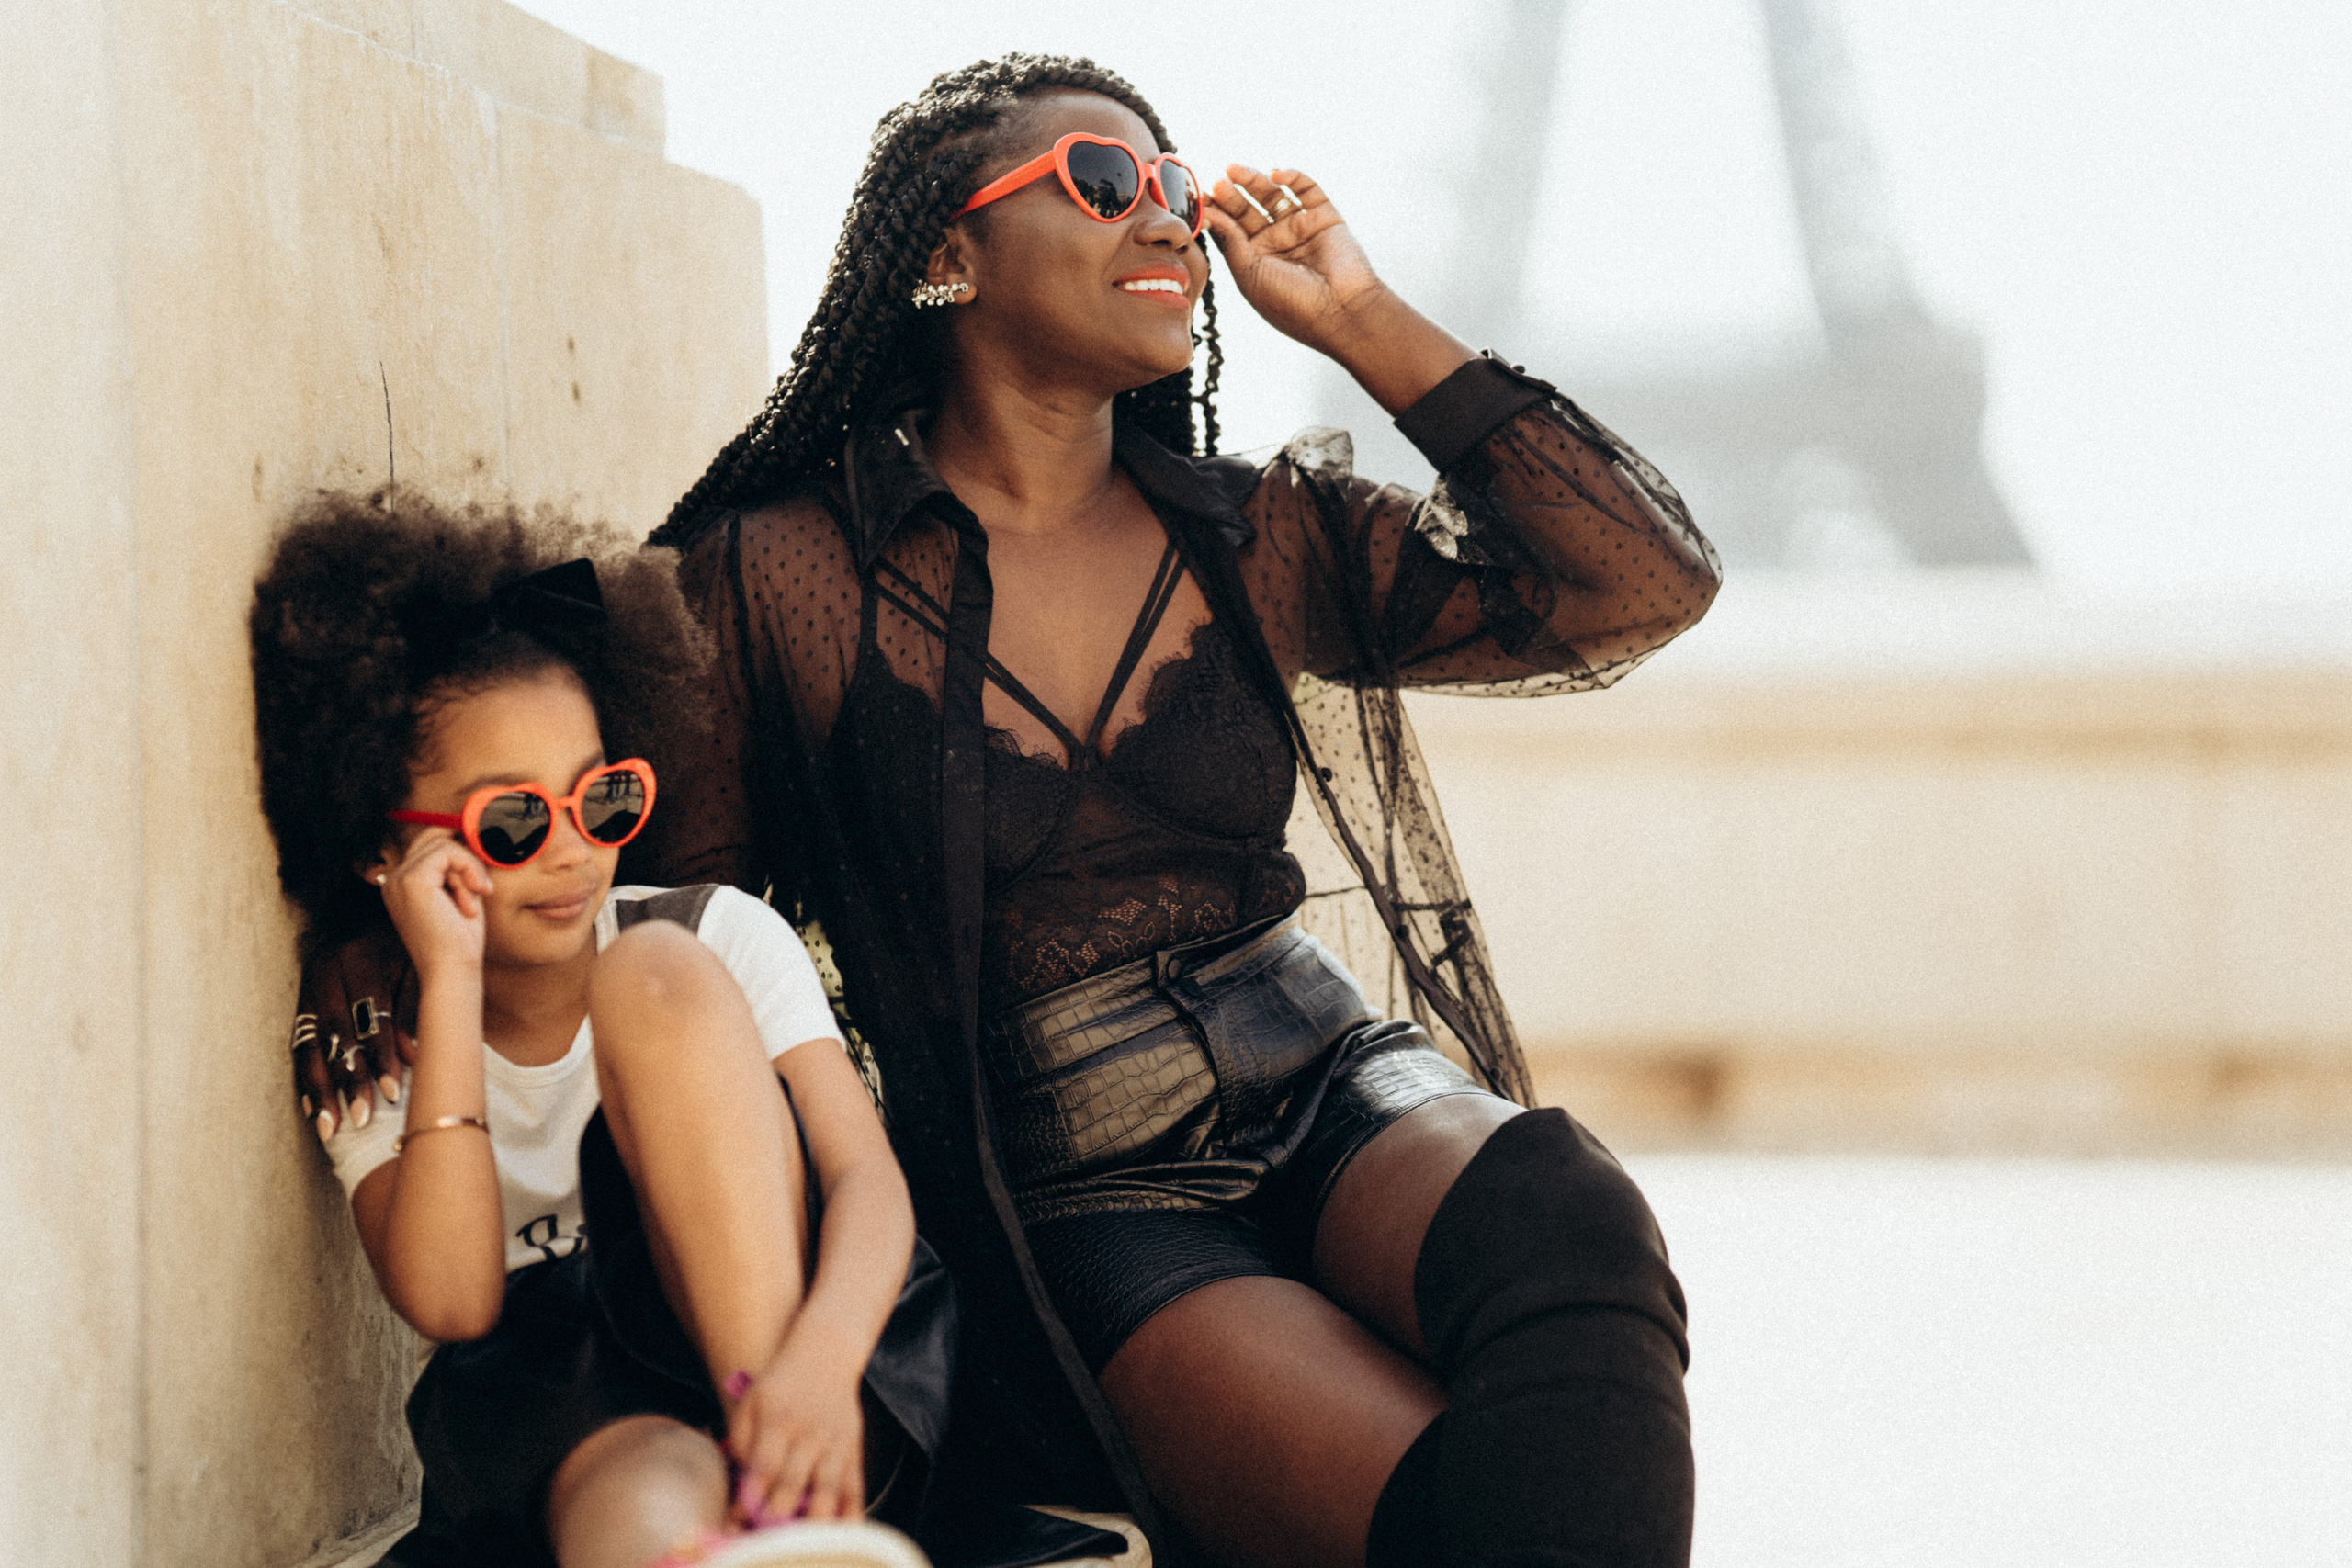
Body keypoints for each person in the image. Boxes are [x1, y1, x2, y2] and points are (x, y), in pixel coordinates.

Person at [303, 52, 1722, 1568]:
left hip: (1324, 1082)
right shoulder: (782, 579)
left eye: (1176, 190)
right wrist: (375, 947)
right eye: (1103, 183)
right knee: (1463, 1509)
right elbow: (619, 888)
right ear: (947, 256)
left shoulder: (1255, 534)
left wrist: (1355, 316)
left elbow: (1636, 580)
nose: (1165, 219)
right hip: (1075, 1191)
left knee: (1571, 1219)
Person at [252, 496, 944, 1568]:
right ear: (385, 847)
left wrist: (812, 1368)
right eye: (514, 821)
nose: (574, 850)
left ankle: (792, 1508)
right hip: (574, 1406)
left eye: (602, 799)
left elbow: (866, 1179)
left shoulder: (714, 935)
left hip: (801, 1342)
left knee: (652, 970)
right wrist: (446, 977)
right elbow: (454, 1298)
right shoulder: (382, 1040)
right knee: (631, 1491)